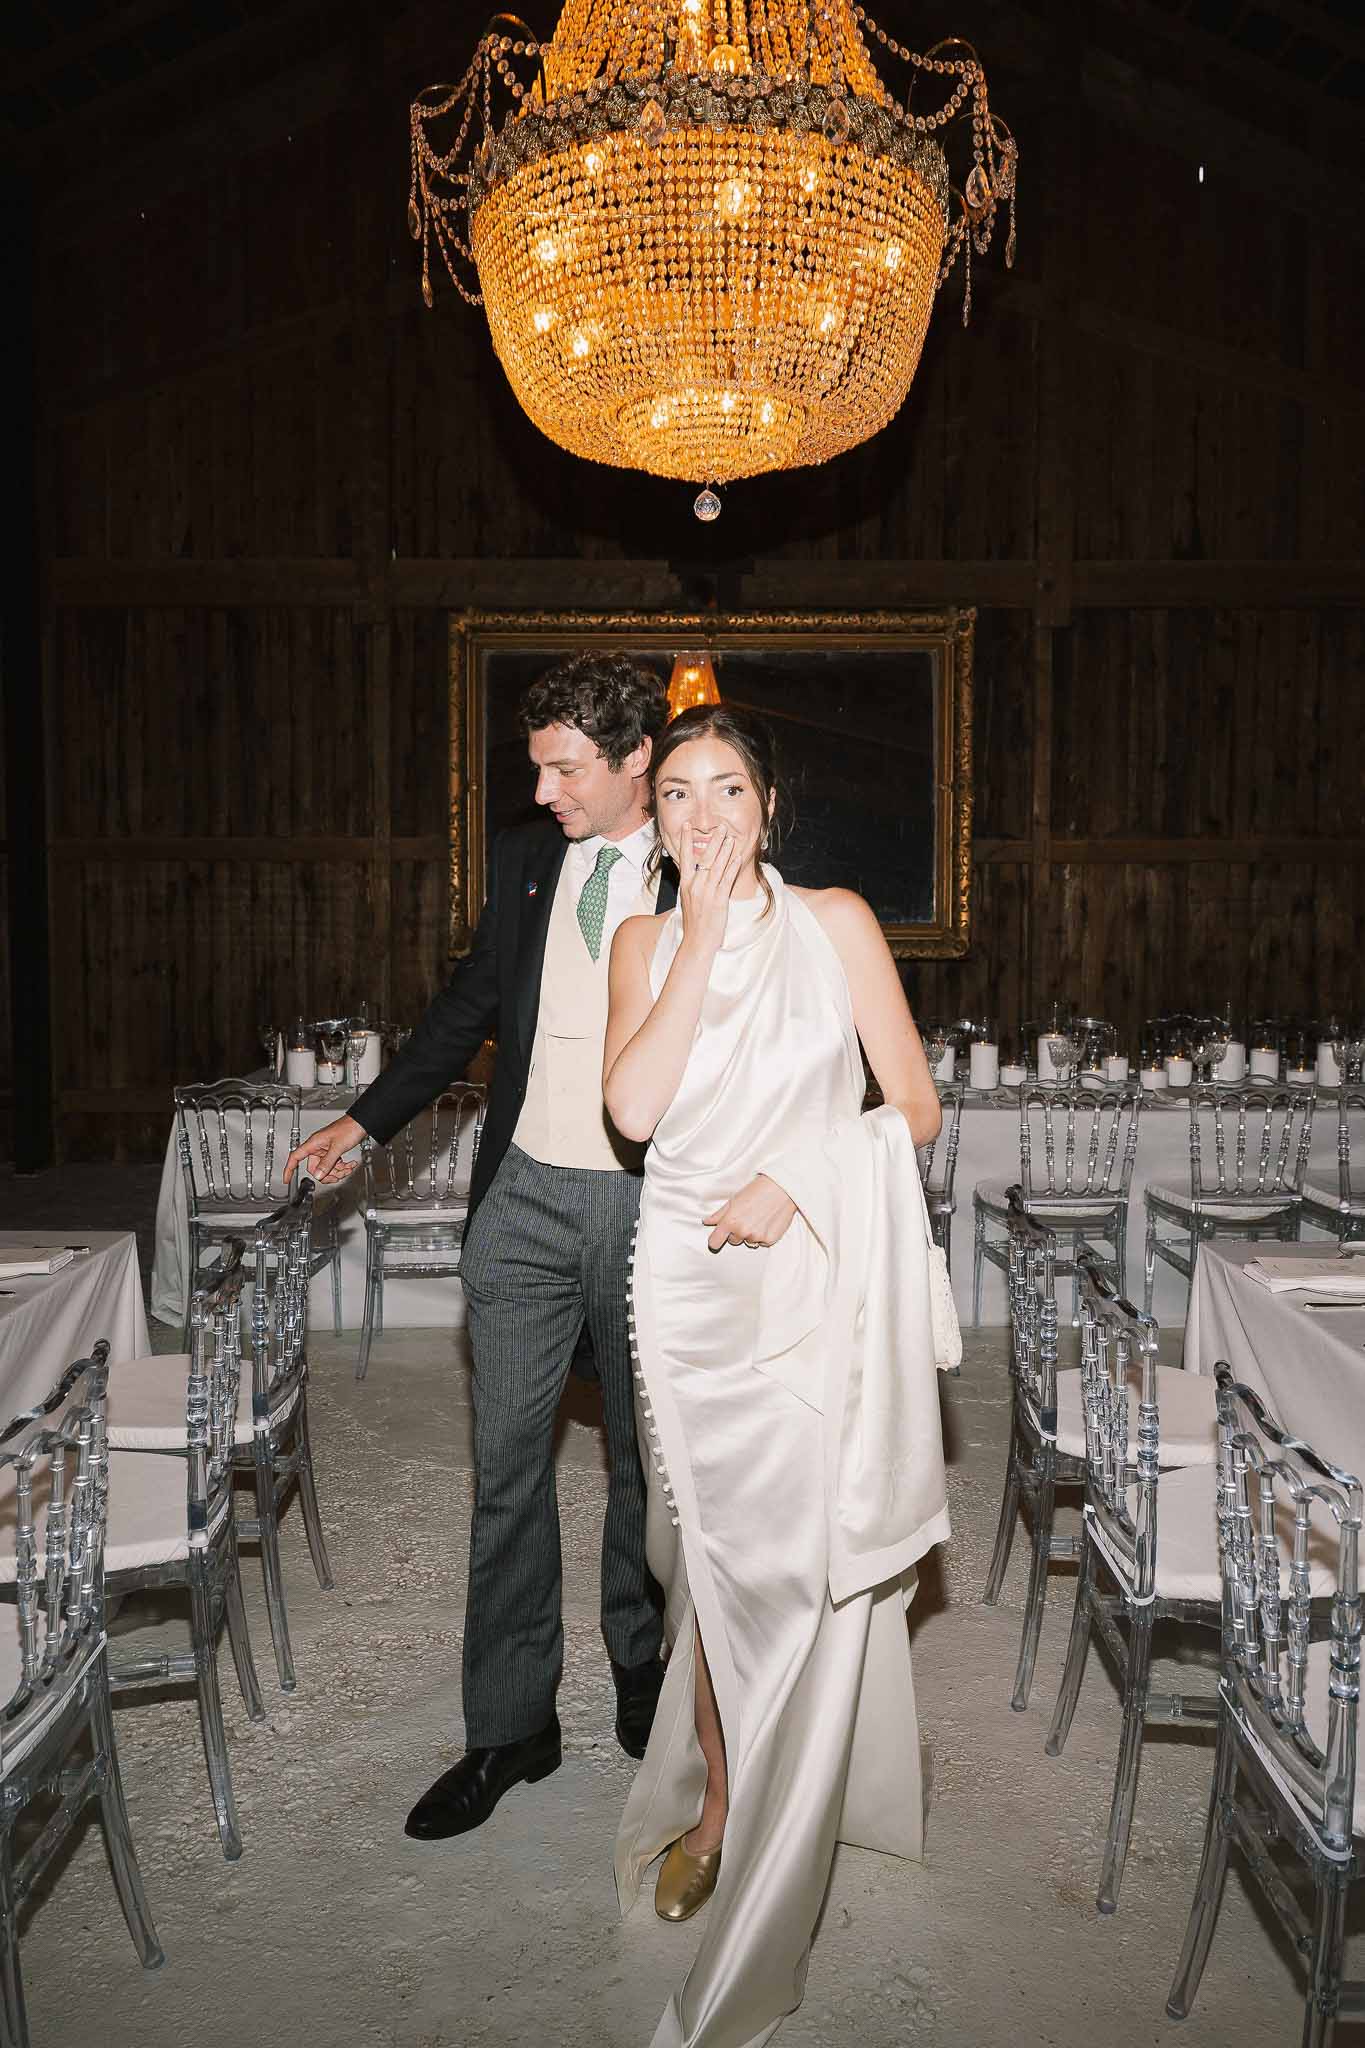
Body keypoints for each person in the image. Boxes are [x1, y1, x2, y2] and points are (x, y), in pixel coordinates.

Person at [602, 704, 950, 2048]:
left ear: (767, 805)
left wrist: (800, 1177)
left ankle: (784, 1814)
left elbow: (908, 1103)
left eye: (725, 790)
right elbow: (632, 1113)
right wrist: (692, 942)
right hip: (684, 1298)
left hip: (811, 1278)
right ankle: (719, 1808)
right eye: (678, 795)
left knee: (801, 1572)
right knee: (706, 1572)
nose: (700, 817)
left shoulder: (840, 924)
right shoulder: (644, 940)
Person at [284, 653, 675, 1839]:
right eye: (538, 767)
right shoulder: (523, 861)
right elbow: (466, 1009)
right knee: (506, 1463)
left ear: (634, 760)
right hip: (523, 1200)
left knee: (647, 1469)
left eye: (565, 769)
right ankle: (511, 1726)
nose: (545, 790)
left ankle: (647, 1672)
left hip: (652, 1204)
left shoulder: (707, 857)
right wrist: (365, 1117)